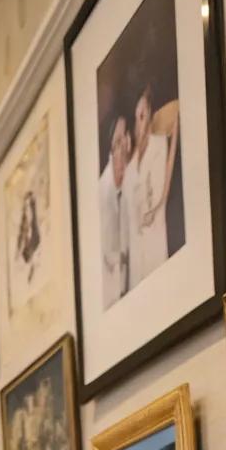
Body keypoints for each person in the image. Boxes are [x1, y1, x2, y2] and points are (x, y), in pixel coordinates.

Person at [124, 87, 178, 288]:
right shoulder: (132, 161)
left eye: (143, 115)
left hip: (154, 233)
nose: (139, 122)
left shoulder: (158, 144)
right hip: (137, 243)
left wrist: (152, 208)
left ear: (150, 114)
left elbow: (161, 189)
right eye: (137, 116)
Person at [98, 113, 130, 308]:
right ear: (111, 150)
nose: (125, 145)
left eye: (126, 136)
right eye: (118, 142)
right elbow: (110, 254)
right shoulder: (103, 192)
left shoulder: (129, 175)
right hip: (112, 297)